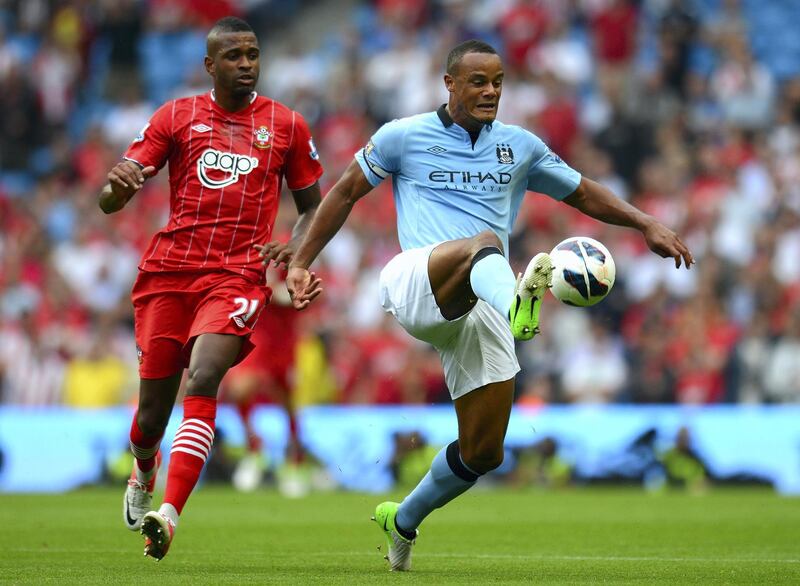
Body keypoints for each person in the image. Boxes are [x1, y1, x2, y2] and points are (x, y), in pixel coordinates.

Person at [286, 39, 693, 572]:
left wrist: (645, 222)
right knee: (485, 242)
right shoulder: (403, 136)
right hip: (419, 279)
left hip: (481, 304)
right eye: (478, 81)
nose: (490, 91)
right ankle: (518, 302)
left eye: (498, 82)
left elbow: (582, 192)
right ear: (449, 83)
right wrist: (301, 261)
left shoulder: (518, 147)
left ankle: (402, 519)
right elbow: (341, 194)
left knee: (483, 452)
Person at [98, 16, 323, 560]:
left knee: (204, 375)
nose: (246, 64)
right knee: (151, 411)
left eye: (253, 54)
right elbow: (111, 195)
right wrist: (116, 187)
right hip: (168, 273)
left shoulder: (287, 125)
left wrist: (296, 253)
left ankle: (169, 515)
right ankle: (144, 467)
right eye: (234, 56)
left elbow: (313, 208)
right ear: (210, 65)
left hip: (238, 275)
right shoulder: (175, 115)